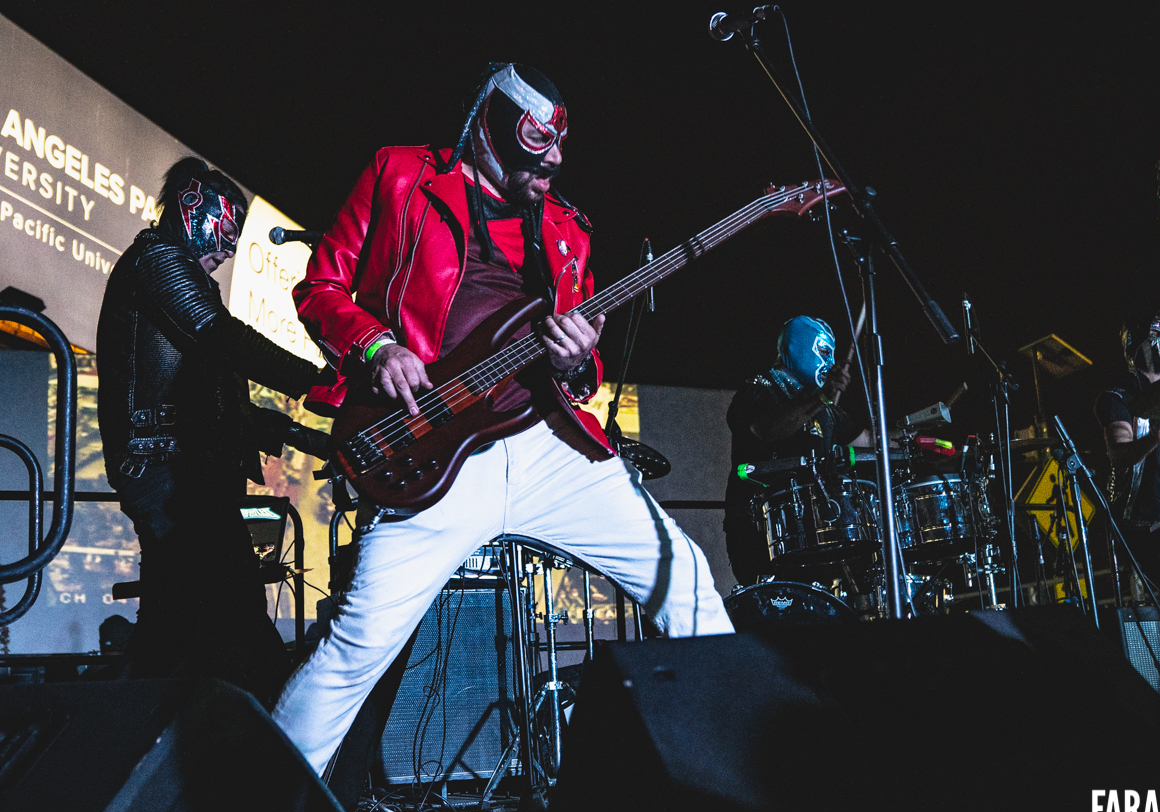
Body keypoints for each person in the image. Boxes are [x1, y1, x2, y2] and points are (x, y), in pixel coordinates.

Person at [273, 63, 733, 775]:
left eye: (556, 153)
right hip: (434, 449)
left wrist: (580, 360)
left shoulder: (568, 232)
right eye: (533, 154)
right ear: (488, 131)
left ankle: (730, 785)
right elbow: (321, 287)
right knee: (355, 647)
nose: (549, 167)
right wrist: (379, 346)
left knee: (688, 581)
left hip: (552, 447)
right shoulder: (400, 177)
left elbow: (582, 376)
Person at [96, 157, 329, 703]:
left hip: (186, 467)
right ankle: (281, 749)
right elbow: (222, 338)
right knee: (234, 608)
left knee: (175, 624)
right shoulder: (157, 258)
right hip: (168, 469)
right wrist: (318, 384)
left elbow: (219, 403)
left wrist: (305, 433)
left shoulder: (178, 272)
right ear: (192, 206)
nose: (228, 251)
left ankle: (125, 747)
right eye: (226, 230)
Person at [723, 316, 870, 587]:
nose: (829, 363)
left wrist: (913, 435)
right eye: (823, 352)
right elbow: (765, 430)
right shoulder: (757, 389)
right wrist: (822, 397)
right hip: (762, 535)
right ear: (799, 346)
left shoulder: (823, 408)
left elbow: (866, 442)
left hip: (814, 531)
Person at [1093, 310, 1160, 594]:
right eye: (1153, 336)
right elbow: (1118, 454)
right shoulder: (1118, 398)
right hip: (1141, 525)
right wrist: (1155, 437)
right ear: (1134, 346)